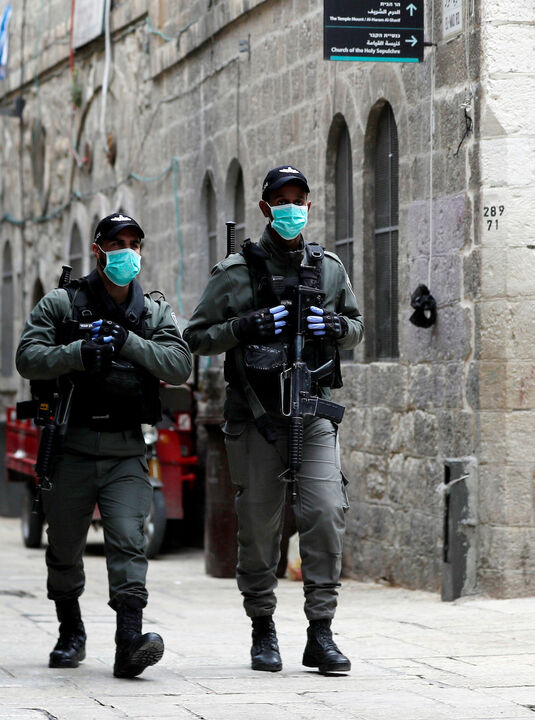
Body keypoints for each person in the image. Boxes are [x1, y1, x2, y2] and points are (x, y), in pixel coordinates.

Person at [184, 165, 364, 675]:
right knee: (260, 526)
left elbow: (356, 327)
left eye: (298, 200)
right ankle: (262, 626)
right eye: (281, 201)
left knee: (326, 512)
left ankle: (321, 631)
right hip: (257, 417)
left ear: (309, 205)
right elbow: (195, 337)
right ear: (265, 208)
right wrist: (245, 326)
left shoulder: (328, 268)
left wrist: (335, 326)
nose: (291, 209)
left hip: (312, 413)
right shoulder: (234, 272)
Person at [15, 212, 191, 677]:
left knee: (130, 540)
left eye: (134, 243)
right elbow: (27, 358)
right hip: (70, 447)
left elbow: (178, 365)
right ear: (98, 251)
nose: (127, 252)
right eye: (117, 244)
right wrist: (76, 353)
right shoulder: (61, 304)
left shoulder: (153, 312)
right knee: (64, 545)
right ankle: (70, 632)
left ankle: (128, 642)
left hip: (125, 449)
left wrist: (127, 342)